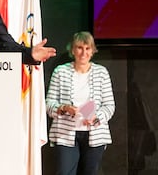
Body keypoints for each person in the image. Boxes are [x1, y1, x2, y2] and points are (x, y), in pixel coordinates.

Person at [46, 31, 115, 175]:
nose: (84, 53)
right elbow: (49, 103)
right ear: (72, 50)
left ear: (93, 50)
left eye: (87, 48)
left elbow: (109, 105)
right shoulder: (60, 72)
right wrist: (64, 108)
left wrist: (96, 118)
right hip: (65, 134)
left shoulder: (102, 73)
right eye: (79, 48)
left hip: (95, 135)